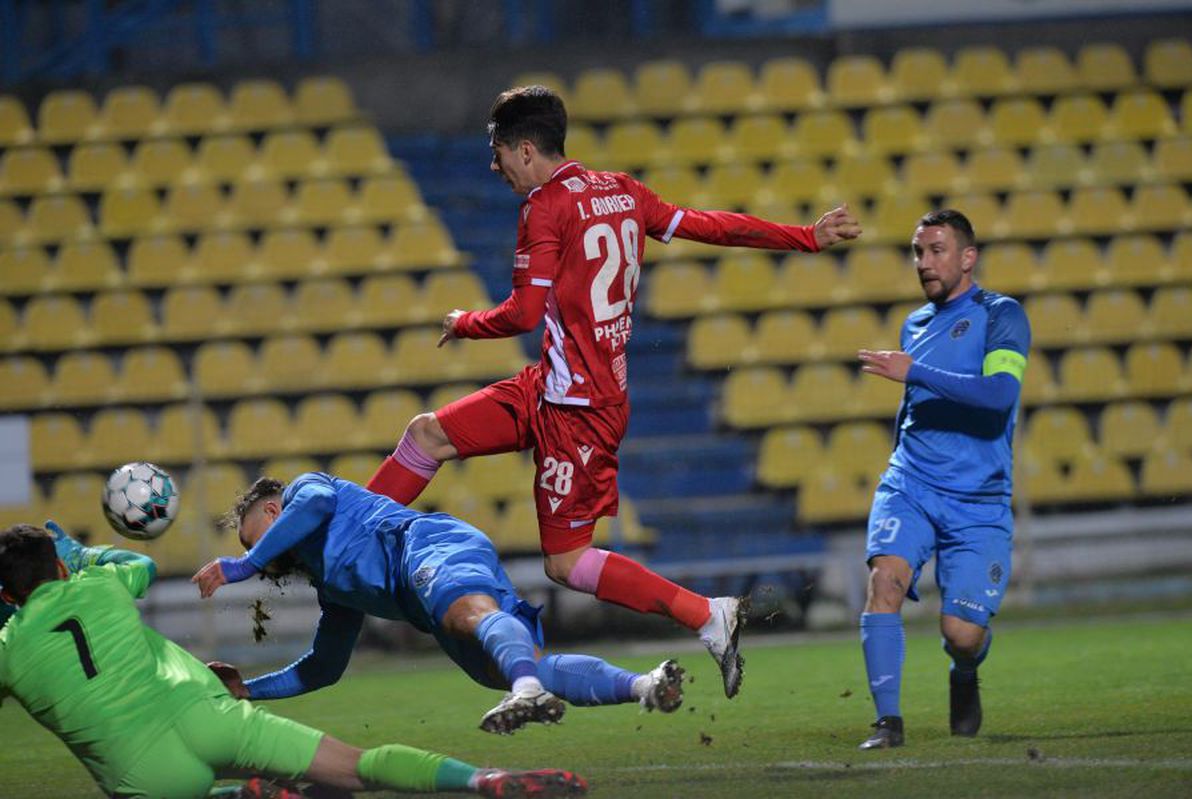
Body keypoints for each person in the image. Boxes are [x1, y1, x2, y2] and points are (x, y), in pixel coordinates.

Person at [365, 85, 863, 699]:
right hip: (549, 387)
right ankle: (350, 535)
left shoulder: (545, 207)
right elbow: (710, 225)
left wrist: (465, 322)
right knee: (427, 434)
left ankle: (707, 614)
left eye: (497, 152)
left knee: (566, 562)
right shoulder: (622, 190)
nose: (493, 166)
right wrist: (804, 236)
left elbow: (524, 315)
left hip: (578, 410)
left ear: (525, 149)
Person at [0, 524, 586, 799]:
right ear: (57, 567)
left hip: (139, 769)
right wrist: (86, 555)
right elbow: (143, 568)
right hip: (204, 711)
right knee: (356, 769)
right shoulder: (97, 586)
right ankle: (485, 780)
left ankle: (239, 797)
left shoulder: (9, 649)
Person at [191, 473, 686, 736]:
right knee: (501, 670)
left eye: (266, 542)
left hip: (427, 546)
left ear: (276, 510)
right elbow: (323, 668)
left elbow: (315, 507)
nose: (273, 562)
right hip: (428, 594)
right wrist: (249, 692)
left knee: (466, 616)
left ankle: (529, 690)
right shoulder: (332, 586)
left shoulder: (307, 488)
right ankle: (645, 685)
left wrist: (243, 565)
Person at [853, 209, 1031, 749]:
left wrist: (916, 371)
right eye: (917, 252)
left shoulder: (1002, 316)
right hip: (911, 484)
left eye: (936, 251)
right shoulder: (915, 323)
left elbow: (1000, 395)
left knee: (962, 634)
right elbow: (913, 406)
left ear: (967, 258)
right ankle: (888, 723)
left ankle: (965, 670)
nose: (924, 263)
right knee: (885, 582)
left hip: (978, 500)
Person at [0, 519, 151, 628]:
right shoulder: (99, 585)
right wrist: (84, 556)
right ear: (62, 568)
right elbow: (146, 565)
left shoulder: (10, 642)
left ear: (7, 596)